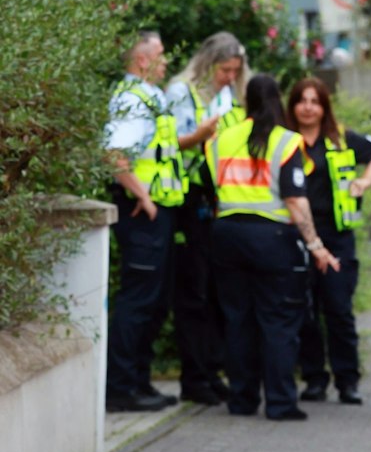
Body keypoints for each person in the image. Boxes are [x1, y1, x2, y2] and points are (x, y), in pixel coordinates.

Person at [204, 74, 339, 421]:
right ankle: (280, 403)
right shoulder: (286, 141)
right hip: (272, 240)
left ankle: (242, 399)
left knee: (237, 320)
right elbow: (295, 200)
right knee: (278, 321)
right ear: (278, 100)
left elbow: (212, 186)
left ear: (246, 102)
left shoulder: (221, 139)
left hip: (227, 235)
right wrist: (316, 246)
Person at [103, 31, 190, 412]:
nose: (166, 60)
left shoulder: (148, 96)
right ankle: (121, 389)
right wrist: (143, 196)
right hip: (142, 214)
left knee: (153, 301)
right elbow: (114, 155)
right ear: (142, 60)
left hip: (157, 214)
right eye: (161, 54)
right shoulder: (131, 100)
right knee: (138, 301)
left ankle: (139, 383)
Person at [288, 77, 371, 405]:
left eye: (314, 101)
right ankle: (314, 378)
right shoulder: (285, 140)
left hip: (336, 234)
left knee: (339, 309)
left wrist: (365, 181)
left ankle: (348, 381)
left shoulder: (340, 138)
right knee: (305, 310)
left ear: (324, 107)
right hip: (298, 234)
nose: (308, 108)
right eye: (302, 101)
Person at [162, 32, 247, 406]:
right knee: (193, 292)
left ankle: (212, 372)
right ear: (209, 64)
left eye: (235, 70)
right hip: (188, 200)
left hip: (217, 200)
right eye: (225, 70)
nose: (230, 77)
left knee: (215, 291)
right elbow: (166, 144)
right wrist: (199, 136)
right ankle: (194, 377)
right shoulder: (181, 91)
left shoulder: (227, 95)